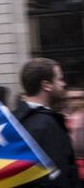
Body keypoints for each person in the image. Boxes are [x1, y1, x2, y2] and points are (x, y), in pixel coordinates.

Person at [12, 58, 81, 188]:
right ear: (46, 85)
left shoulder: (13, 120)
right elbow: (60, 177)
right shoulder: (48, 125)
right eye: (59, 79)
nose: (63, 84)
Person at [65, 88, 84, 186]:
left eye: (80, 98)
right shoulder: (61, 118)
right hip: (70, 169)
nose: (76, 101)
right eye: (72, 98)